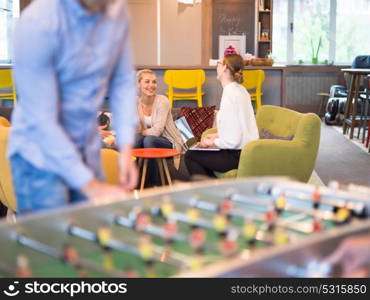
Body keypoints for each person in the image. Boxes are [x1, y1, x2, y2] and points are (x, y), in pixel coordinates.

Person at [8, 0, 138, 214]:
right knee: (51, 245)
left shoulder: (116, 9)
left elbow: (122, 80)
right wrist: (92, 187)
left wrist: (125, 148)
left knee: (90, 243)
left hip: (88, 151)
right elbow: (41, 121)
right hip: (40, 160)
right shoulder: (38, 22)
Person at [184, 54, 259, 178]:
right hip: (247, 153)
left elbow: (232, 141)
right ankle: (214, 191)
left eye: (218, 63)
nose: (216, 67)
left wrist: (212, 142)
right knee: (199, 155)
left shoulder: (230, 94)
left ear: (224, 68)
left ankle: (212, 194)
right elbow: (240, 127)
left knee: (190, 156)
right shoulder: (240, 90)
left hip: (236, 155)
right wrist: (216, 135)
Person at [134, 69, 184, 185]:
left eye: (154, 82)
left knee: (149, 139)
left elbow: (157, 131)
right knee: (136, 140)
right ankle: (133, 181)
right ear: (138, 84)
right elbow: (134, 129)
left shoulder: (162, 101)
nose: (151, 85)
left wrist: (141, 131)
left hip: (169, 140)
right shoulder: (135, 103)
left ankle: (150, 184)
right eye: (147, 82)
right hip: (148, 139)